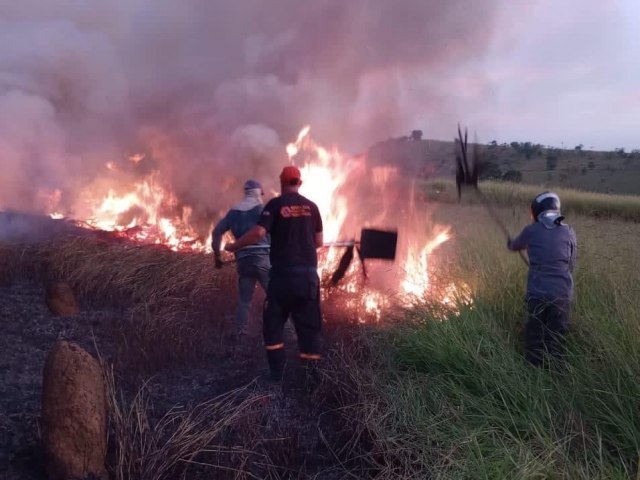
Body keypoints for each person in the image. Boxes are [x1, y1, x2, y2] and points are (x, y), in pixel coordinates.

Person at [225, 165, 323, 381]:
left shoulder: (275, 205)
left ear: (281, 182)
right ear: (300, 183)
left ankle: (278, 376)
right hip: (308, 280)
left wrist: (235, 246)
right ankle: (311, 379)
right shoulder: (312, 207)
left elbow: (258, 233)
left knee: (273, 328)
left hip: (282, 279)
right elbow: (319, 242)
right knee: (309, 329)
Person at [508, 191, 577, 367]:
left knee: (535, 334)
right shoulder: (569, 232)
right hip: (562, 294)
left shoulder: (531, 231)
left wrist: (510, 243)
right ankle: (556, 371)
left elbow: (514, 246)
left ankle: (534, 369)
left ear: (537, 211)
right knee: (557, 335)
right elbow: (571, 264)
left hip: (537, 293)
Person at [212, 179, 270, 336]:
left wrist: (217, 257)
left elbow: (216, 232)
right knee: (276, 296)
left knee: (245, 301)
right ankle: (289, 334)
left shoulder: (233, 212)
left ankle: (241, 334)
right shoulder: (263, 211)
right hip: (262, 260)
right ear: (259, 193)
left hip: (243, 261)